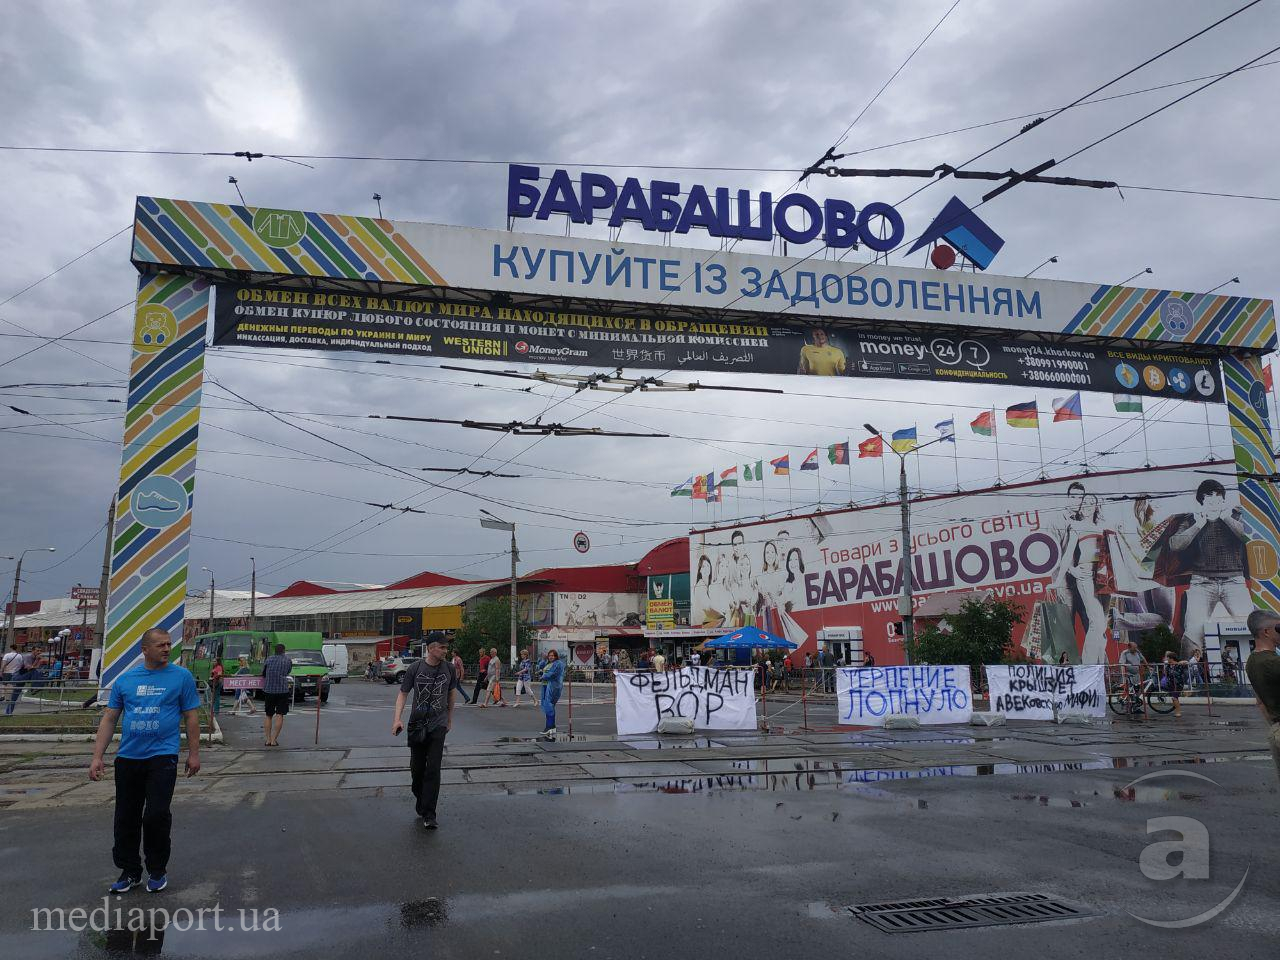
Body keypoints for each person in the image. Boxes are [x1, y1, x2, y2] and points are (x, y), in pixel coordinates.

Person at [89, 627, 201, 894]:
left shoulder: (181, 677)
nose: (166, 649)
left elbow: (191, 717)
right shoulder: (126, 680)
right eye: (161, 645)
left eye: (169, 644)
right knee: (126, 817)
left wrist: (194, 754)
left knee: (156, 814)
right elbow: (109, 718)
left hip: (163, 756)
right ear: (145, 650)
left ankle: (157, 870)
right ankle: (130, 871)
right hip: (128, 758)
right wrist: (97, 757)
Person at [1167, 480, 1251, 656]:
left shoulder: (1236, 514)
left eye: (1218, 496)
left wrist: (1226, 517)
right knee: (1193, 632)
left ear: (1223, 498)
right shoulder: (1191, 519)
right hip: (1202, 582)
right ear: (1201, 500)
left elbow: (1248, 537)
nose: (1214, 500)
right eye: (1209, 496)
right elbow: (1175, 544)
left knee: (1251, 626)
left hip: (1234, 580)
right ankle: (1189, 676)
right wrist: (1199, 524)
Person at [391, 635, 456, 829]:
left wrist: (449, 719)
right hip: (417, 725)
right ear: (430, 648)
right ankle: (420, 797)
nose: (446, 651)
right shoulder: (415, 668)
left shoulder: (449, 669)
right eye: (442, 647)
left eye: (446, 647)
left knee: (433, 769)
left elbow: (451, 694)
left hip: (438, 725)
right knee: (417, 770)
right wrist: (397, 719)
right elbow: (403, 694)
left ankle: (430, 814)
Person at [1244, 609, 1280, 783]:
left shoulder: (1252, 661)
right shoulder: (1273, 663)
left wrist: (1275, 726)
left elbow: (1260, 702)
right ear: (1266, 632)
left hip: (1275, 730)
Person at [261, 643, 293, 746]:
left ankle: (268, 740)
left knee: (268, 715)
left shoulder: (269, 660)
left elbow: (263, 673)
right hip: (282, 690)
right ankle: (274, 740)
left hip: (269, 690)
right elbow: (288, 672)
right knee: (280, 714)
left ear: (275, 651)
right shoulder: (288, 660)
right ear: (284, 651)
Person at [539, 649, 564, 738]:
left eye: (552, 655)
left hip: (553, 686)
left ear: (556, 656)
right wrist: (544, 659)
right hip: (546, 685)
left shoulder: (558, 663)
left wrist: (544, 676)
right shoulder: (548, 663)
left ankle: (549, 727)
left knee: (549, 705)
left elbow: (552, 674)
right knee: (547, 706)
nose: (551, 657)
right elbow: (540, 667)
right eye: (549, 655)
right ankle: (551, 727)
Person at [1119, 640, 1147, 717]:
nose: (1135, 649)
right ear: (1129, 647)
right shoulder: (1125, 653)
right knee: (1129, 691)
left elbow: (1143, 659)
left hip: (1137, 674)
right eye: (1134, 648)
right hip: (1129, 674)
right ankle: (1125, 706)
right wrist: (1123, 674)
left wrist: (1148, 666)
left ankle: (1136, 708)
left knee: (1138, 690)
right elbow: (1122, 664)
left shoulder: (1137, 652)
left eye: (1136, 647)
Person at [1160, 651, 1186, 718]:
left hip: (1178, 684)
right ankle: (1177, 711)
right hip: (1171, 683)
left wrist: (1181, 662)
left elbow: (1187, 662)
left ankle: (1178, 712)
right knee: (1174, 698)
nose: (1167, 659)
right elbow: (1166, 674)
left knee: (1174, 698)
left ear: (1171, 658)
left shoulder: (1179, 665)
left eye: (1168, 658)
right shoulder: (1168, 666)